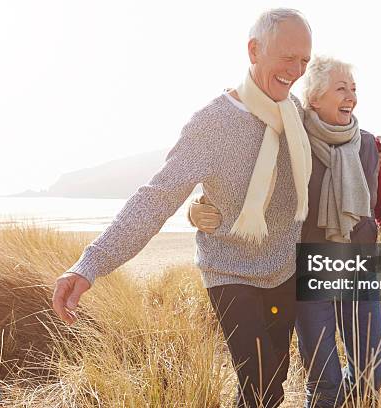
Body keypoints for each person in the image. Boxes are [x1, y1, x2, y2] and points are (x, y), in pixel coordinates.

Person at [53, 8, 316, 408]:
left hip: (284, 266)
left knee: (270, 387)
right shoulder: (211, 124)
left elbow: (337, 139)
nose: (296, 70)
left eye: (304, 61)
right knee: (260, 381)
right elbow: (156, 197)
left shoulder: (293, 111)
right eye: (287, 57)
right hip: (229, 268)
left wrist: (375, 152)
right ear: (254, 50)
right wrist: (90, 264)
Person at [189, 55, 381, 407]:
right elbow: (244, 186)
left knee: (369, 375)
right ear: (314, 98)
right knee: (324, 382)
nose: (351, 96)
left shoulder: (368, 147)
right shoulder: (290, 144)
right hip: (307, 275)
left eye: (354, 88)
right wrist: (199, 207)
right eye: (340, 88)